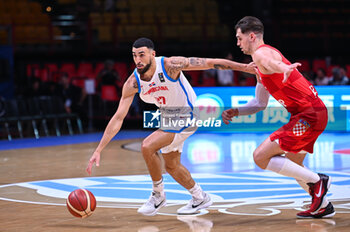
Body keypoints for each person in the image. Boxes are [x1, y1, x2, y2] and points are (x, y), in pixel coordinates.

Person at [86, 37, 256, 216]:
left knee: (147, 145)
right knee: (172, 166)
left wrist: (244, 68)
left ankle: (158, 195)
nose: (138, 59)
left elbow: (209, 63)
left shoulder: (170, 65)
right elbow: (118, 118)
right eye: (134, 55)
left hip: (188, 113)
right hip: (168, 117)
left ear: (153, 54)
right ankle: (200, 197)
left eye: (142, 55)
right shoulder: (132, 83)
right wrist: (99, 149)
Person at [222, 16, 335, 219]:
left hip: (308, 117)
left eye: (239, 38)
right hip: (311, 114)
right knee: (294, 166)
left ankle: (319, 181)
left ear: (252, 36)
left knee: (260, 156)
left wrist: (284, 68)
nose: (237, 44)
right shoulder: (259, 65)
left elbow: (271, 62)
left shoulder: (261, 54)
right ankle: (323, 205)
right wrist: (237, 111)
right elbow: (260, 103)